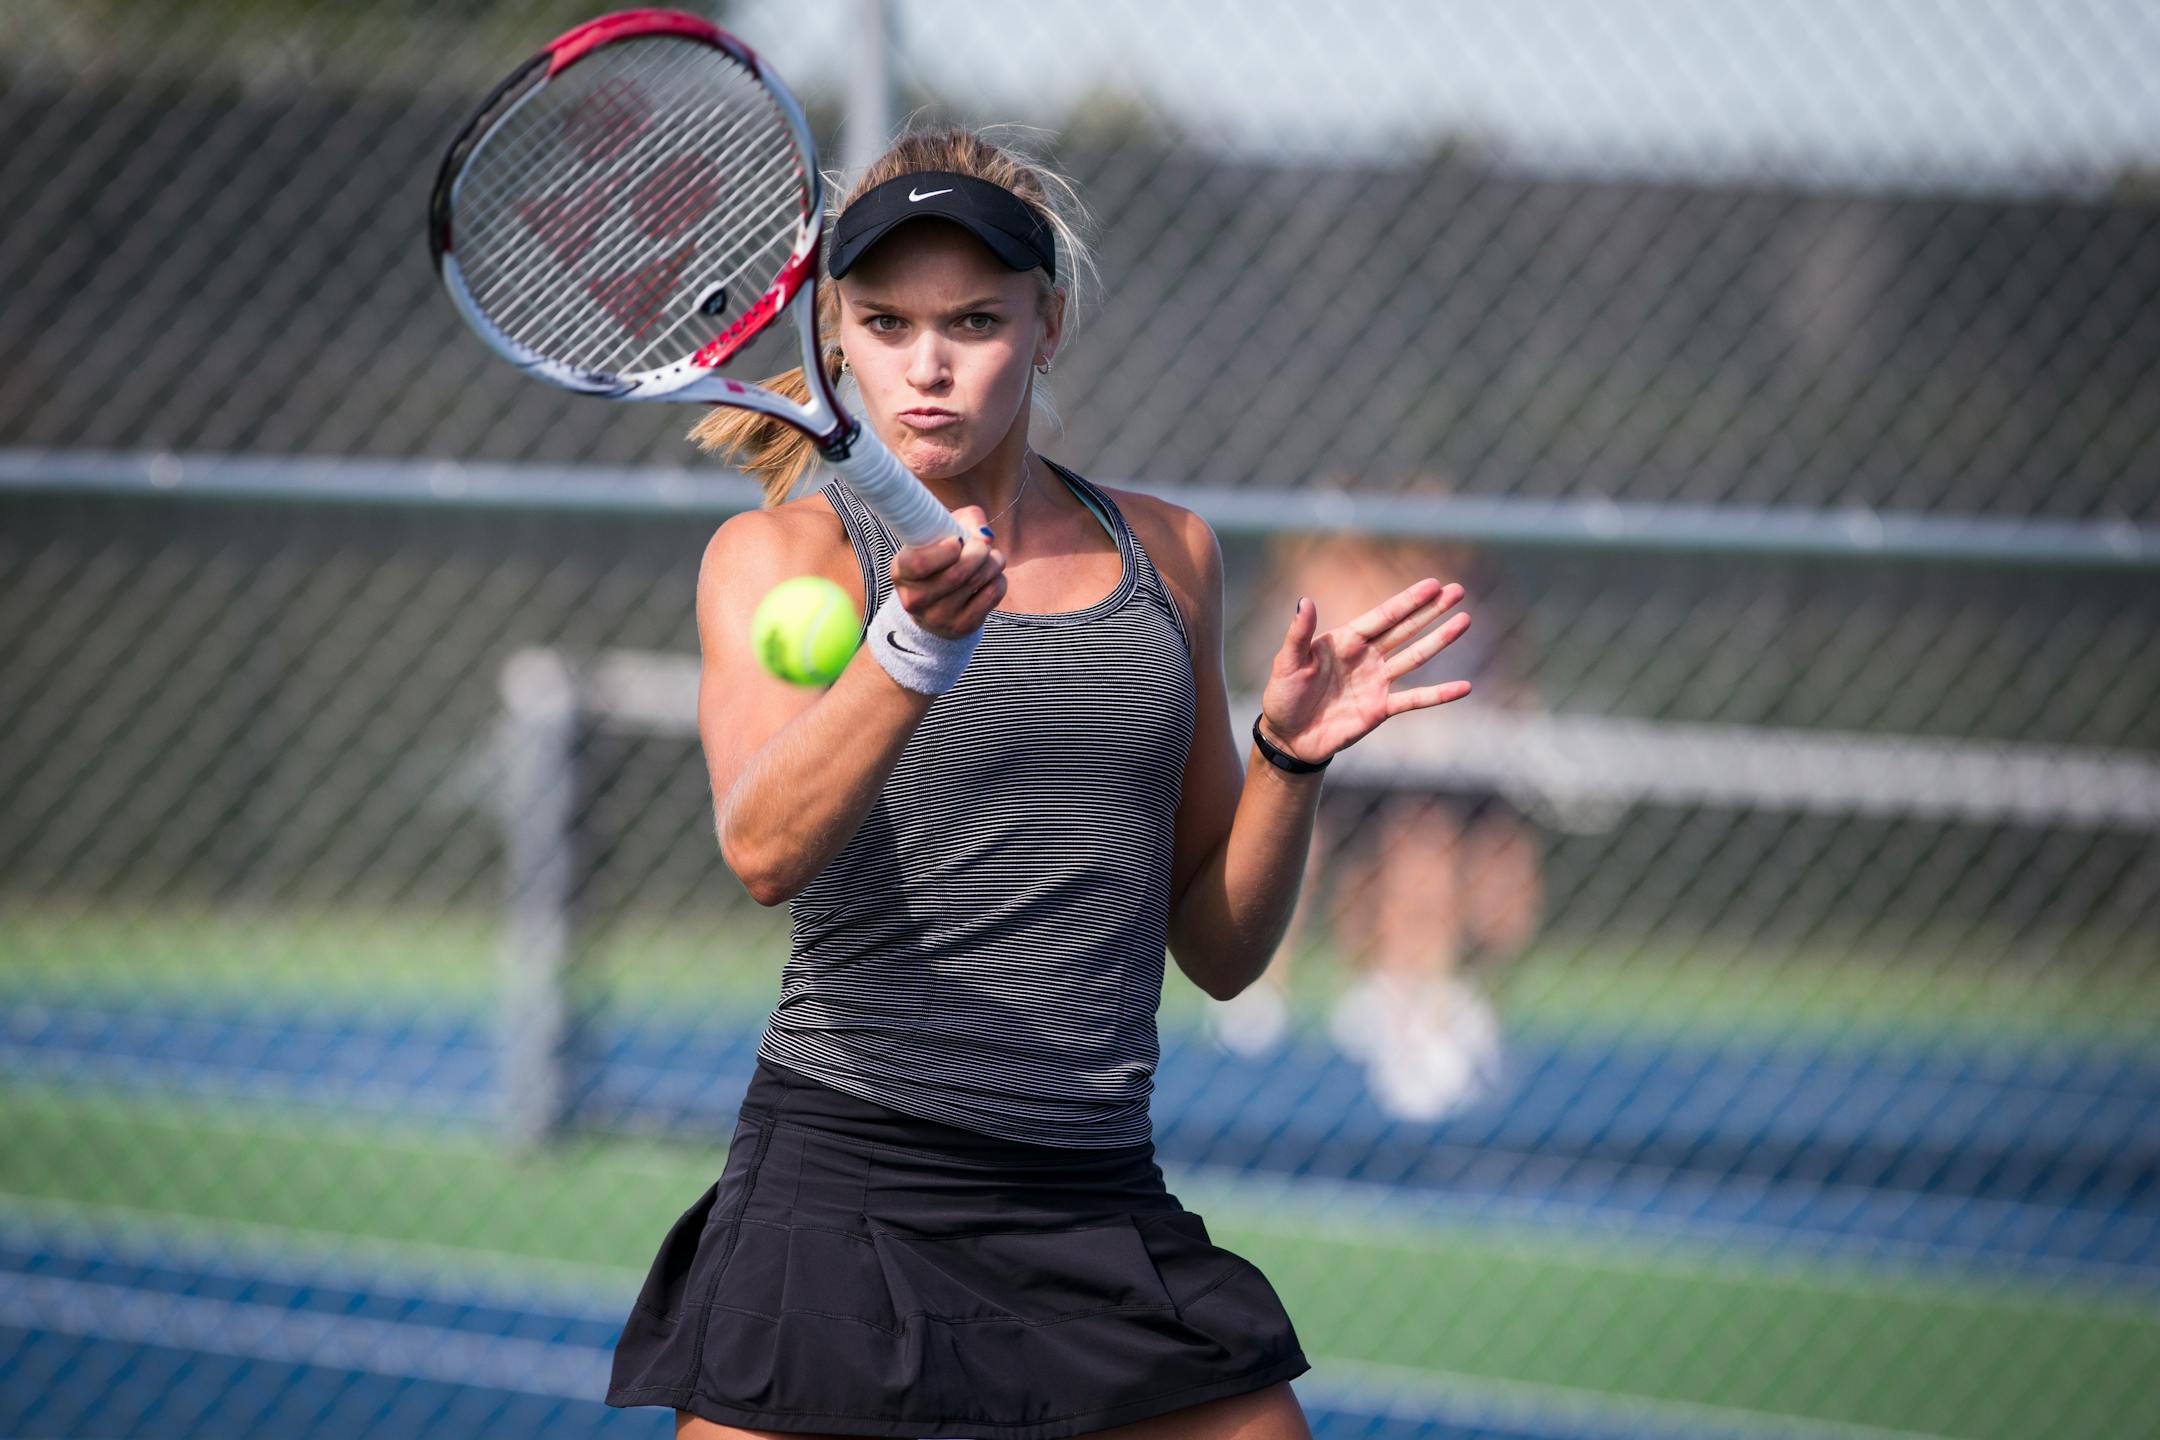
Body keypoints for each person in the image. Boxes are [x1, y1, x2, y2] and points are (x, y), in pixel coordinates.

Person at [604, 127, 1473, 1440]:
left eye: (974, 320)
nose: (929, 364)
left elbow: (1222, 952)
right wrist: (910, 651)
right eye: (887, 322)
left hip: (1089, 1199)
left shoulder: (1168, 555)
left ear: (1047, 326)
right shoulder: (782, 559)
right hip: (848, 1188)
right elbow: (763, 850)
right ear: (836, 333)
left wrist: (1290, 758)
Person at [1214, 528, 1544, 1123]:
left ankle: (1422, 998)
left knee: (1440, 851)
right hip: (1347, 754)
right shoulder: (1331, 579)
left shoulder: (1472, 594)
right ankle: (1264, 991)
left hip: (1431, 761)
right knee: (1305, 840)